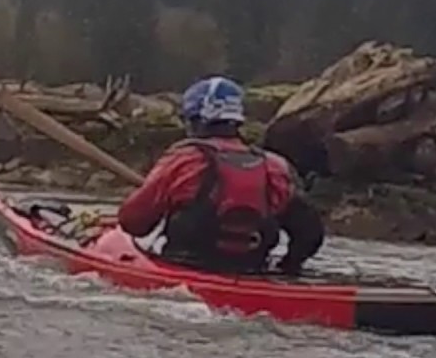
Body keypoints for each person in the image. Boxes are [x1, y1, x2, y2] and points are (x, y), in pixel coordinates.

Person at [116, 76, 325, 274]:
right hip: (253, 271)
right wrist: (287, 266)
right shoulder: (275, 167)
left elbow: (132, 222)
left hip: (185, 268)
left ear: (195, 120)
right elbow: (310, 233)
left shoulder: (183, 160)